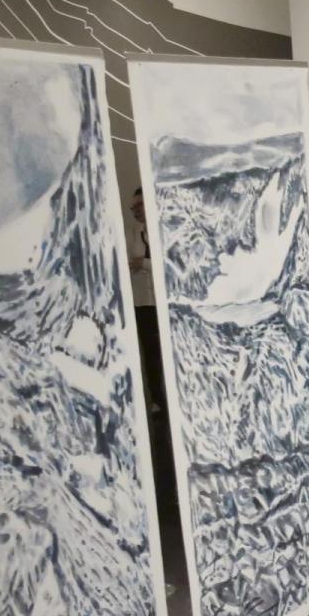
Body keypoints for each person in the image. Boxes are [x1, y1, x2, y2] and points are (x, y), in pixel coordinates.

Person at [128, 187, 173, 498]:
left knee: (163, 352)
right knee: (149, 354)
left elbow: (164, 265)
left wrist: (142, 262)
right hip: (142, 303)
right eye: (134, 209)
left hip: (163, 304)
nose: (137, 212)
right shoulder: (133, 233)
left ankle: (169, 396)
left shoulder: (163, 231)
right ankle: (159, 396)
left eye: (141, 206)